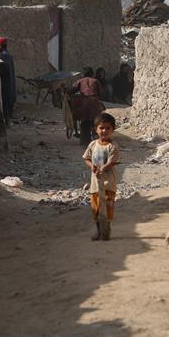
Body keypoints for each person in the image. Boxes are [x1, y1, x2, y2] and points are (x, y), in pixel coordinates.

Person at [82, 113, 120, 241]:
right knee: (96, 207)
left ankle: (106, 228)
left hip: (108, 182)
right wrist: (91, 166)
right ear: (96, 129)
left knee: (108, 206)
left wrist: (103, 168)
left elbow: (112, 162)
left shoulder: (113, 146)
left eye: (108, 128)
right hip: (95, 183)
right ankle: (98, 230)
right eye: (101, 128)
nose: (104, 131)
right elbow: (86, 158)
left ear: (113, 130)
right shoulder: (93, 145)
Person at [69, 67, 104, 146]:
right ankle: (97, 139)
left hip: (85, 102)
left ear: (83, 74)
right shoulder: (95, 81)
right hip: (95, 102)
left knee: (85, 121)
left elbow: (71, 90)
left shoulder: (80, 81)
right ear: (92, 74)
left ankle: (85, 142)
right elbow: (101, 93)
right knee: (96, 120)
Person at [0, 37, 17, 125]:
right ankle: (7, 121)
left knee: (5, 103)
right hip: (9, 84)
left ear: (1, 46)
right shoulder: (8, 56)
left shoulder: (4, 56)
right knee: (8, 103)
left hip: (6, 84)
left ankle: (6, 123)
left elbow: (4, 71)